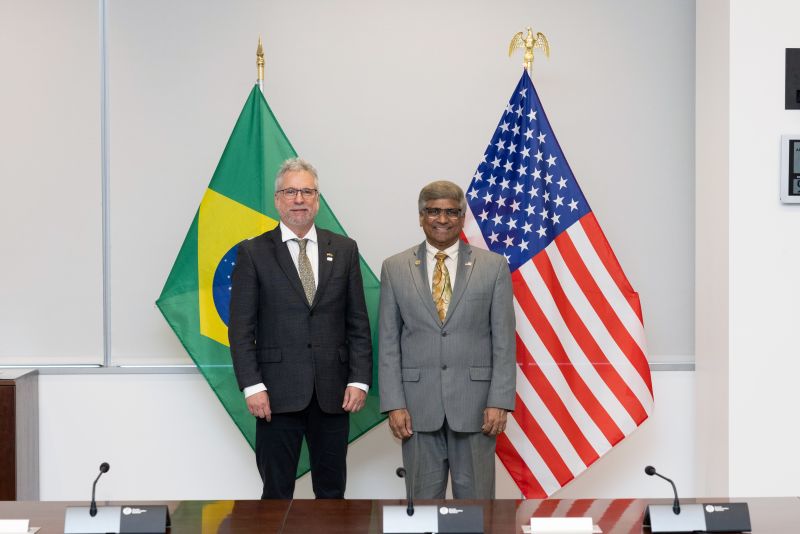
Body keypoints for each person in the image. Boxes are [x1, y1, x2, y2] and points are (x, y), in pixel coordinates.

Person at [228, 157, 372, 499]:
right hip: (275, 396)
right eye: (291, 191)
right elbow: (240, 329)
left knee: (332, 492)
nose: (299, 199)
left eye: (307, 191)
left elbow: (358, 323)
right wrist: (252, 387)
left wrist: (359, 379)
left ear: (317, 200)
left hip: (334, 395)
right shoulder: (253, 253)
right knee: (276, 494)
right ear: (277, 200)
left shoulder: (345, 249)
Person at [379, 180, 516, 499]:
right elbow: (387, 344)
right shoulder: (395, 267)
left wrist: (499, 400)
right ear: (421, 216)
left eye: (451, 212)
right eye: (434, 211)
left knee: (477, 509)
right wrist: (394, 404)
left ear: (462, 216)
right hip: (416, 410)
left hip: (478, 409)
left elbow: (504, 341)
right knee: (423, 508)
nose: (442, 219)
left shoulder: (493, 267)